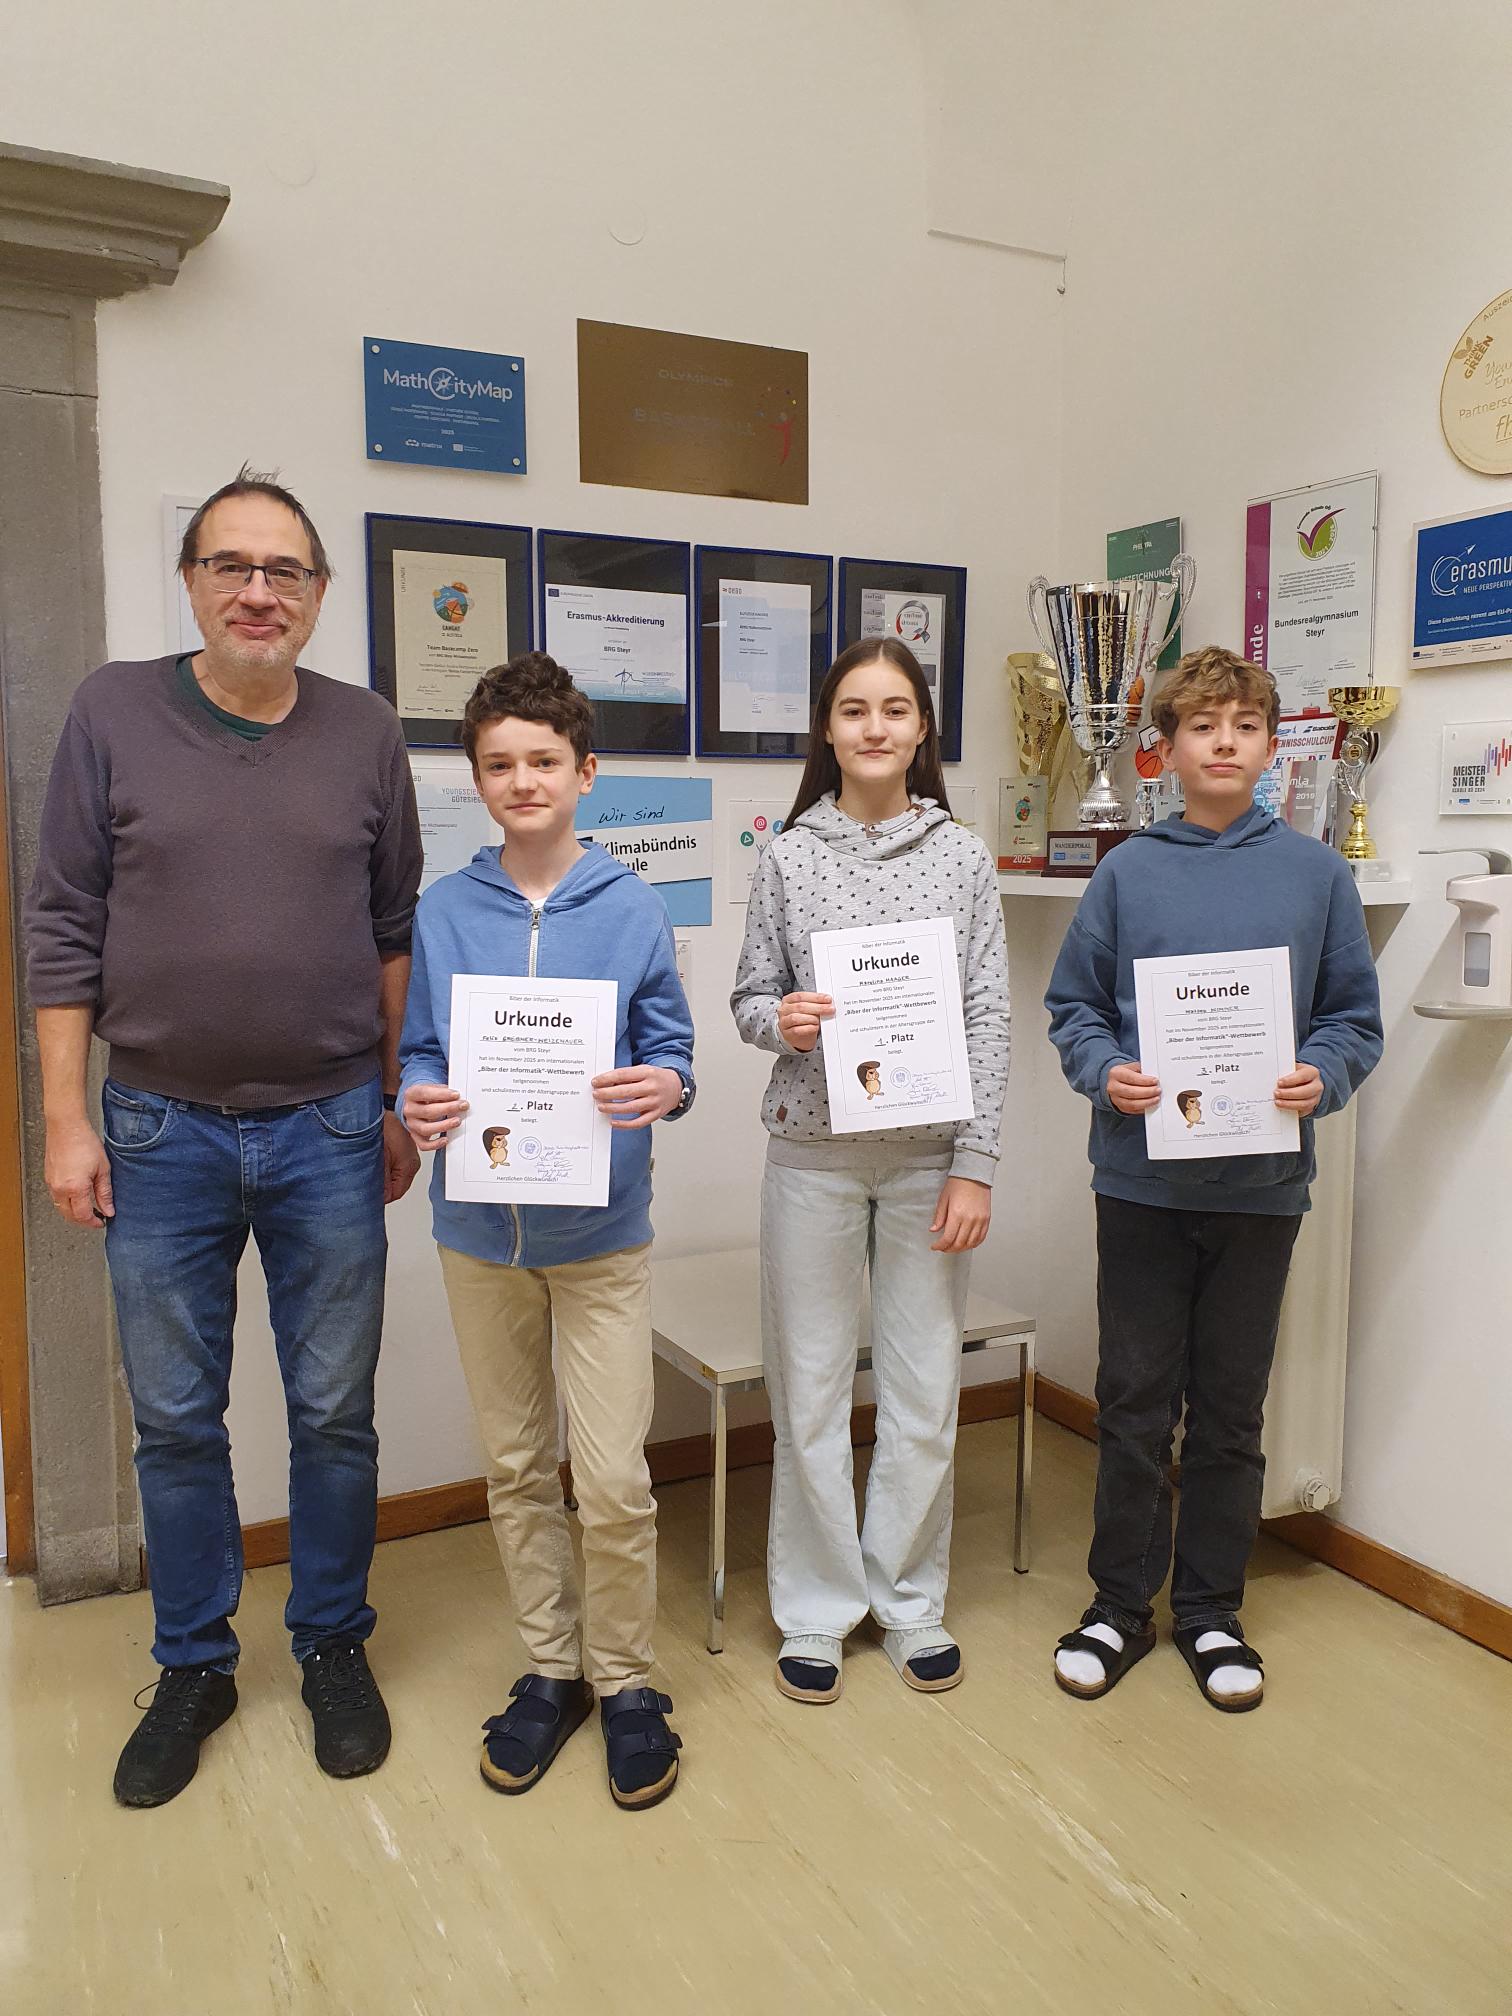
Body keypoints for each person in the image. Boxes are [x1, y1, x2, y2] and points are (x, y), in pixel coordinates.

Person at [25, 468, 423, 1807]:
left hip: (329, 1127)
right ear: (192, 581)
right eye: (232, 566)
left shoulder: (367, 732)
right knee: (177, 1421)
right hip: (157, 1129)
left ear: (317, 593)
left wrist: (391, 1096)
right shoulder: (112, 711)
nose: (259, 591)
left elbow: (392, 931)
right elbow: (63, 925)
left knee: (334, 1413)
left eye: (284, 570)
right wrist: (66, 1120)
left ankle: (331, 1645)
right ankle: (194, 1663)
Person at [1044, 645, 1383, 1712]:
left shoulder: (1318, 877)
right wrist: (1108, 1073)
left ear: (1272, 745)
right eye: (1203, 725)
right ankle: (1117, 1605)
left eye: (1244, 725)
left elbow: (1352, 1019)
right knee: (1134, 1401)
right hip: (1140, 1183)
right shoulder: (1126, 872)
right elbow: (1074, 1008)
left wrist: (1321, 1074)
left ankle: (1210, 1612)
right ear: (1166, 748)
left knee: (1232, 1408)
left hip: (1259, 1189)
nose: (1224, 742)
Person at [399, 653, 694, 1810]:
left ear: (585, 772)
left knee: (613, 1479)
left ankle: (625, 1681)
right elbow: (423, 1050)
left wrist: (665, 1085)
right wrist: (417, 1099)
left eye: (544, 761)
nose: (523, 781)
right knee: (518, 1466)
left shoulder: (631, 906)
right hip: (479, 1237)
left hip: (601, 1238)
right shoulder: (445, 910)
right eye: (499, 764)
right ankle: (552, 1667)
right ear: (477, 778)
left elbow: (670, 1049)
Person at [730, 638, 1010, 1704]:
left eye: (896, 709)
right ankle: (815, 1609)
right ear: (828, 728)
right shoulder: (788, 856)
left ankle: (908, 1600)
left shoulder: (964, 857)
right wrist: (785, 1021)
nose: (876, 727)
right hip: (812, 1157)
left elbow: (989, 1016)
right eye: (855, 709)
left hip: (929, 1163)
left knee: (923, 1392)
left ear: (923, 727)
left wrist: (976, 1163)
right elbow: (750, 998)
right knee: (806, 1391)